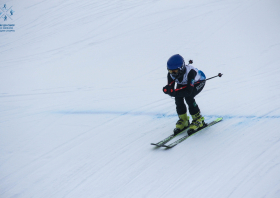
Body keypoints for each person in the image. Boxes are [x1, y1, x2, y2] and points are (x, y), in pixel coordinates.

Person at [163, 54, 206, 135]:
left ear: (181, 68)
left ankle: (198, 119)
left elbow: (188, 91)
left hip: (198, 82)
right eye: (170, 71)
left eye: (175, 71)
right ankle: (184, 120)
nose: (172, 73)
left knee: (189, 97)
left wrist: (173, 92)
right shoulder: (171, 74)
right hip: (184, 83)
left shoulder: (190, 72)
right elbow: (171, 88)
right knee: (178, 98)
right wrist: (168, 90)